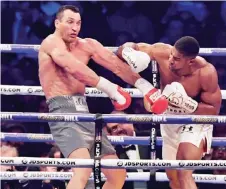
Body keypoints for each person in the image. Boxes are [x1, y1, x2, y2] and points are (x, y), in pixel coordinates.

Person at [38, 5, 168, 189]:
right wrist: (110, 89)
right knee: (82, 169)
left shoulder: (87, 45)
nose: (75, 27)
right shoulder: (51, 43)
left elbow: (116, 66)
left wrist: (146, 87)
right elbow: (72, 67)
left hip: (85, 112)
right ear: (57, 23)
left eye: (78, 23)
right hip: (63, 112)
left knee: (117, 174)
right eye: (69, 22)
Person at [116, 36, 222, 189]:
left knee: (183, 170)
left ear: (190, 61)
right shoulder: (162, 52)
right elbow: (124, 48)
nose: (171, 60)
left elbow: (213, 111)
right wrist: (129, 52)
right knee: (173, 178)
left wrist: (188, 104)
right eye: (172, 54)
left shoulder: (205, 72)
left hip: (194, 120)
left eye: (177, 58)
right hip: (169, 119)